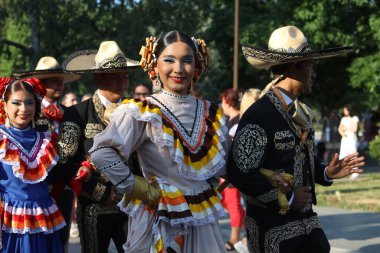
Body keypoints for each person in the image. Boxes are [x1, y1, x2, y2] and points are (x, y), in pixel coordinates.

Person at [228, 26, 366, 253]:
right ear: (294, 67)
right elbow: (239, 172)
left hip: (308, 226)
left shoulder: (302, 113)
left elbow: (301, 159)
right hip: (273, 231)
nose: (314, 73)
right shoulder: (259, 115)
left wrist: (325, 173)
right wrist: (288, 199)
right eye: (311, 65)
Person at [90, 31, 230, 252]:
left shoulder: (210, 112)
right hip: (162, 218)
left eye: (187, 60)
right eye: (169, 60)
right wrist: (138, 187)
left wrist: (266, 175)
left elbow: (226, 166)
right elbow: (101, 152)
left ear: (197, 65)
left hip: (202, 220)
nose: (179, 69)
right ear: (154, 65)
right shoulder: (143, 110)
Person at [58, 41, 140, 253]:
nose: (123, 81)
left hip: (132, 203)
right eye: (115, 75)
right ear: (98, 78)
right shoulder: (77, 113)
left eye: (125, 75)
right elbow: (65, 163)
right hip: (94, 207)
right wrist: (102, 192)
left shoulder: (136, 111)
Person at [11, 56, 81, 252]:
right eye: (54, 80)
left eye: (61, 80)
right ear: (41, 82)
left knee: (61, 240)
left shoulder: (69, 113)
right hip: (35, 188)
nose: (60, 84)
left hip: (64, 187)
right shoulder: (27, 111)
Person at [0, 77, 66, 252]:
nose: (24, 109)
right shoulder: (1, 139)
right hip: (11, 222)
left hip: (43, 218)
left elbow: (62, 174)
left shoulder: (47, 139)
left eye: (29, 103)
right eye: (16, 103)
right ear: (5, 105)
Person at [219, 88, 245, 251]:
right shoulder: (230, 120)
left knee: (234, 203)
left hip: (233, 173)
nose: (221, 105)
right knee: (229, 203)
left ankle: (235, 237)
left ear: (227, 101)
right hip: (226, 171)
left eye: (222, 101)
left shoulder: (238, 121)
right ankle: (244, 232)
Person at [338, 105, 360, 178]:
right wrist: (343, 132)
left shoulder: (354, 118)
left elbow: (354, 129)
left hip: (352, 138)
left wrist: (346, 128)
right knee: (343, 154)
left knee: (353, 154)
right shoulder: (343, 119)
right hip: (345, 138)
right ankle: (343, 171)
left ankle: (355, 171)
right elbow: (340, 129)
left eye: (346, 110)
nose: (345, 112)